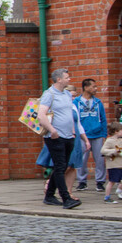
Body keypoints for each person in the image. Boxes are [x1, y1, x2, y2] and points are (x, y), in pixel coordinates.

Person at [38, 68, 82, 209]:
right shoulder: (49, 94)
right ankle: (66, 198)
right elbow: (41, 115)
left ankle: (49, 196)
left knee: (61, 167)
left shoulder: (67, 94)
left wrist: (73, 132)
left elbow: (69, 113)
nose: (69, 79)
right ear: (59, 79)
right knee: (59, 166)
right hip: (55, 136)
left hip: (68, 136)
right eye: (67, 77)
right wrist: (52, 130)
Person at [74, 78, 107, 191]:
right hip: (83, 135)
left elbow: (103, 118)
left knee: (100, 159)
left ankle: (100, 182)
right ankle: (82, 181)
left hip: (97, 134)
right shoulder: (76, 102)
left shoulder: (98, 103)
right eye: (93, 86)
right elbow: (75, 119)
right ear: (86, 87)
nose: (96, 89)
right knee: (82, 159)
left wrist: (104, 134)